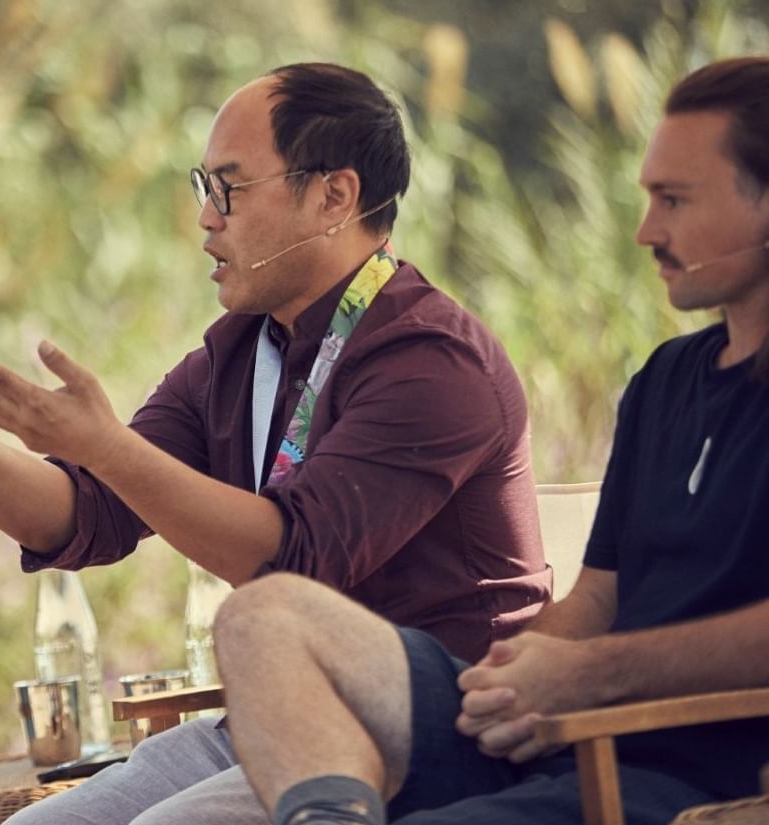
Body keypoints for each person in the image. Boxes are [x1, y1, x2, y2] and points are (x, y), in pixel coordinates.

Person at [0, 62, 547, 823]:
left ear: (333, 196)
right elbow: (83, 515)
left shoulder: (432, 358)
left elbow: (292, 560)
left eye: (229, 190)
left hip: (437, 731)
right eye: (202, 188)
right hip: (269, 717)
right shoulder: (239, 352)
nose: (206, 218)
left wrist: (106, 445)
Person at [213, 56, 769, 825]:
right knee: (259, 616)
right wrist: (518, 670)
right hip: (550, 728)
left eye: (673, 200)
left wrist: (589, 675)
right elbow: (601, 593)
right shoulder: (667, 379)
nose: (647, 231)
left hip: (673, 767)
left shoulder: (428, 353)